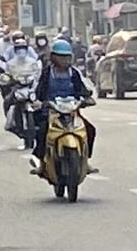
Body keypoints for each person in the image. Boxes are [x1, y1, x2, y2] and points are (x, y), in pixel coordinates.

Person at [32, 38, 98, 170]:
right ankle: (41, 161)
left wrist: (87, 99)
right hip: (52, 111)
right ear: (53, 58)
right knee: (42, 131)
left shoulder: (74, 73)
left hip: (72, 111)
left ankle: (86, 160)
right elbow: (39, 92)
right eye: (61, 57)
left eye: (67, 57)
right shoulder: (46, 73)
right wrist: (39, 102)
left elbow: (82, 89)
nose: (65, 61)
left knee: (90, 129)